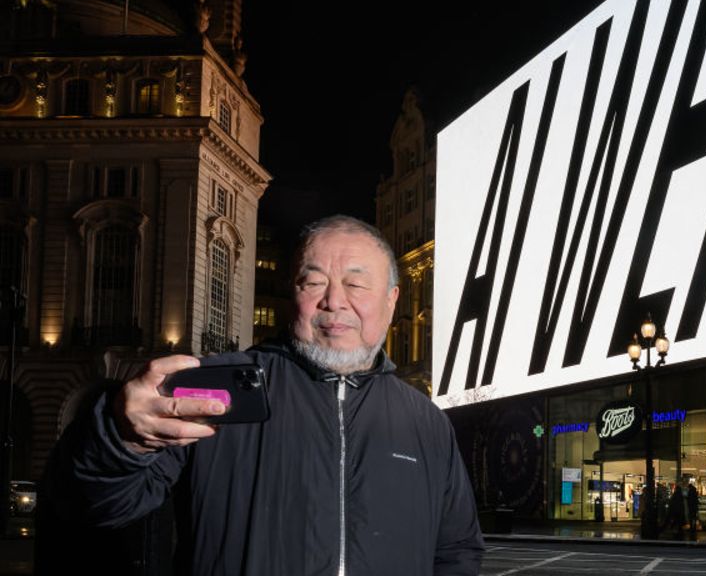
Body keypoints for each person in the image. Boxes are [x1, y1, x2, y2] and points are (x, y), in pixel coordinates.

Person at [46, 215, 484, 576]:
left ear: (391, 300)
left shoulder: (425, 420)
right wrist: (120, 437)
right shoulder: (210, 388)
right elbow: (96, 508)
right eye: (312, 283)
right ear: (291, 294)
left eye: (356, 284)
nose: (334, 302)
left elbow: (457, 550)